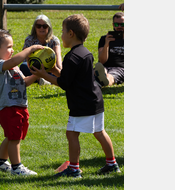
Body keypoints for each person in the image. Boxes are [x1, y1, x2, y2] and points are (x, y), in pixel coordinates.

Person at [30, 14, 120, 178]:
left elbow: (64, 83)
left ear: (71, 33)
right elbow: (69, 76)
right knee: (99, 132)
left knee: (71, 134)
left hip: (82, 103)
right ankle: (112, 164)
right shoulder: (84, 52)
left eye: (63, 31)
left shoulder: (72, 57)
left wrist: (43, 74)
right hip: (94, 100)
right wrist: (52, 70)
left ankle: (74, 169)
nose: (62, 35)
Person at [0, 28, 44, 176]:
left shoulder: (14, 66)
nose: (12, 50)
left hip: (20, 106)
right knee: (14, 138)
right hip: (9, 108)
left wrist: (38, 74)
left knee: (12, 136)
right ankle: (17, 168)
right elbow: (14, 60)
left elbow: (24, 82)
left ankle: (0, 163)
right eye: (9, 47)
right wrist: (29, 49)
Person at [19, 14, 62, 85]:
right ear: (35, 28)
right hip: (34, 68)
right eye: (38, 26)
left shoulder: (54, 40)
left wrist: (60, 71)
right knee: (23, 66)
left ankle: (43, 79)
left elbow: (58, 59)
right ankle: (43, 79)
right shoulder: (29, 40)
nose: (41, 28)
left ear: (49, 27)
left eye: (44, 26)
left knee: (64, 67)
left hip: (50, 68)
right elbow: (26, 59)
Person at [95, 12, 124, 87]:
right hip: (104, 66)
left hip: (120, 68)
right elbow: (102, 61)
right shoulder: (104, 39)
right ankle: (100, 76)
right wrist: (106, 44)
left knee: (110, 76)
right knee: (101, 70)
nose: (119, 26)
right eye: (117, 24)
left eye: (122, 24)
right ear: (113, 25)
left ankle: (103, 80)